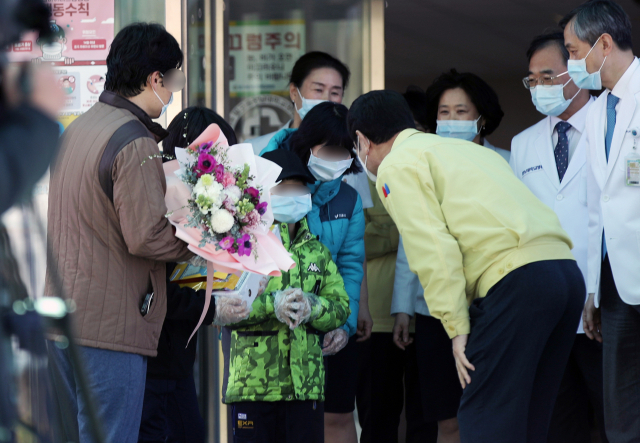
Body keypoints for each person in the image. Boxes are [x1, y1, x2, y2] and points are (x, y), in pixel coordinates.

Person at [347, 90, 585, 443]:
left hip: (514, 281)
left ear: (363, 140)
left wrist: (457, 330)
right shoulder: (468, 150)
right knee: (531, 418)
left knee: (482, 416)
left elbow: (432, 250)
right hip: (565, 274)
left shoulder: (397, 165)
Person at [45, 23, 193, 443]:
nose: (173, 90)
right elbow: (146, 235)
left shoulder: (79, 128)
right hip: (109, 327)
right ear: (155, 80)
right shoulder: (134, 140)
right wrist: (201, 243)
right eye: (174, 79)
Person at [511, 32, 607, 443]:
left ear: (576, 70)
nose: (540, 87)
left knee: (614, 419)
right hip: (547, 307)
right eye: (532, 80)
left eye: (548, 76)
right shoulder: (522, 143)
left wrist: (598, 291)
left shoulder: (613, 126)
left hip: (605, 304)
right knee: (556, 421)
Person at [220, 148, 350, 443]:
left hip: (306, 388)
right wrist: (272, 305)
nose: (293, 192)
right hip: (253, 387)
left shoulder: (317, 249)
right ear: (263, 191)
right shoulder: (241, 244)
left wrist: (313, 306)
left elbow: (341, 307)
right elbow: (223, 307)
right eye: (283, 186)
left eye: (299, 186)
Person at [138, 107, 250, 443]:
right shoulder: (152, 199)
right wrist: (211, 306)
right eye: (217, 159)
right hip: (146, 363)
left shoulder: (200, 205)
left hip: (178, 362)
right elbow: (150, 290)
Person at [260, 101, 365, 443]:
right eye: (328, 149)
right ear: (308, 144)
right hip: (268, 327)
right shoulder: (268, 183)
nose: (336, 159)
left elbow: (350, 265)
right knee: (274, 422)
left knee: (335, 415)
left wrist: (344, 326)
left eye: (344, 151)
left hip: (326, 323)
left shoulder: (348, 200)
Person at [561, 2, 640, 441]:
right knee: (621, 406)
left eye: (574, 51)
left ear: (604, 44)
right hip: (612, 284)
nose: (572, 63)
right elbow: (598, 208)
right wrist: (592, 286)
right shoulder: (594, 112)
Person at [355, 174, 433, 443]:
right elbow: (357, 240)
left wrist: (384, 228)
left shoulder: (421, 172)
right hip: (376, 317)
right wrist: (400, 232)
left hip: (427, 311)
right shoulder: (358, 175)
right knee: (377, 418)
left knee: (426, 418)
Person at [392, 238, 461, 443]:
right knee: (446, 418)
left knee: (487, 413)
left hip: (485, 305)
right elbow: (410, 241)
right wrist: (403, 308)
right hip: (433, 311)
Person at [425, 69, 510, 161]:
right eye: (444, 111)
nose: (452, 119)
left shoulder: (506, 160)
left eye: (461, 111)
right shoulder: (428, 162)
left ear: (483, 118)